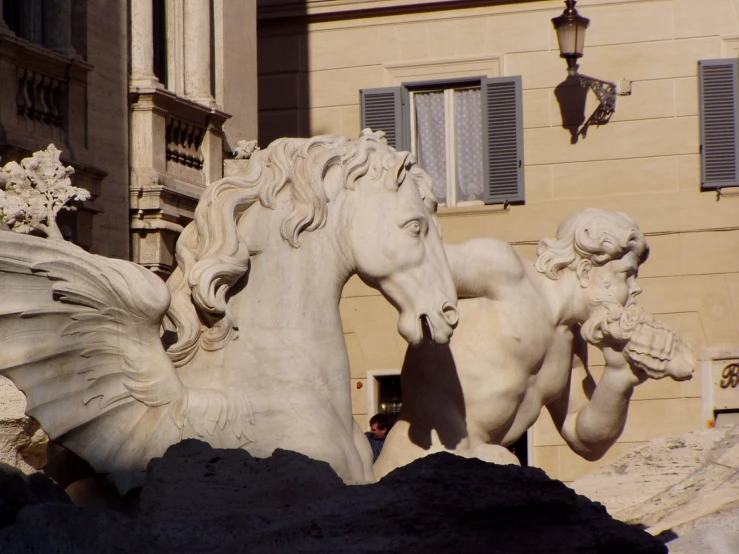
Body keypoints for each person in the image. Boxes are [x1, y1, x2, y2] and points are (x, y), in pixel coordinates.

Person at [374, 209, 695, 478]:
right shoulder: (505, 272)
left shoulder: (570, 347)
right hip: (415, 465)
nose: (635, 290)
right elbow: (411, 261)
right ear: (586, 269)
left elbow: (586, 440)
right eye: (627, 275)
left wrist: (618, 377)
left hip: (478, 475)